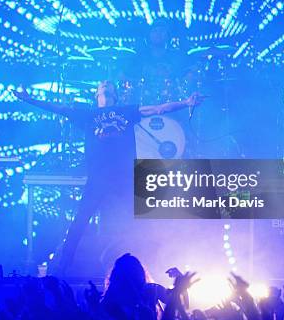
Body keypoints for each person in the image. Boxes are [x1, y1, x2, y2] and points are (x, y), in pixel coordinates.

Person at [13, 81, 204, 275]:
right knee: (80, 221)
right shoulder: (87, 114)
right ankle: (62, 268)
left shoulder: (126, 111)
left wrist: (187, 102)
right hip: (98, 178)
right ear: (97, 94)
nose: (105, 85)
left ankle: (145, 268)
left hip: (124, 177)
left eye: (109, 85)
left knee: (137, 221)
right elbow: (58, 108)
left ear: (115, 93)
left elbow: (159, 109)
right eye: (101, 85)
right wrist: (30, 100)